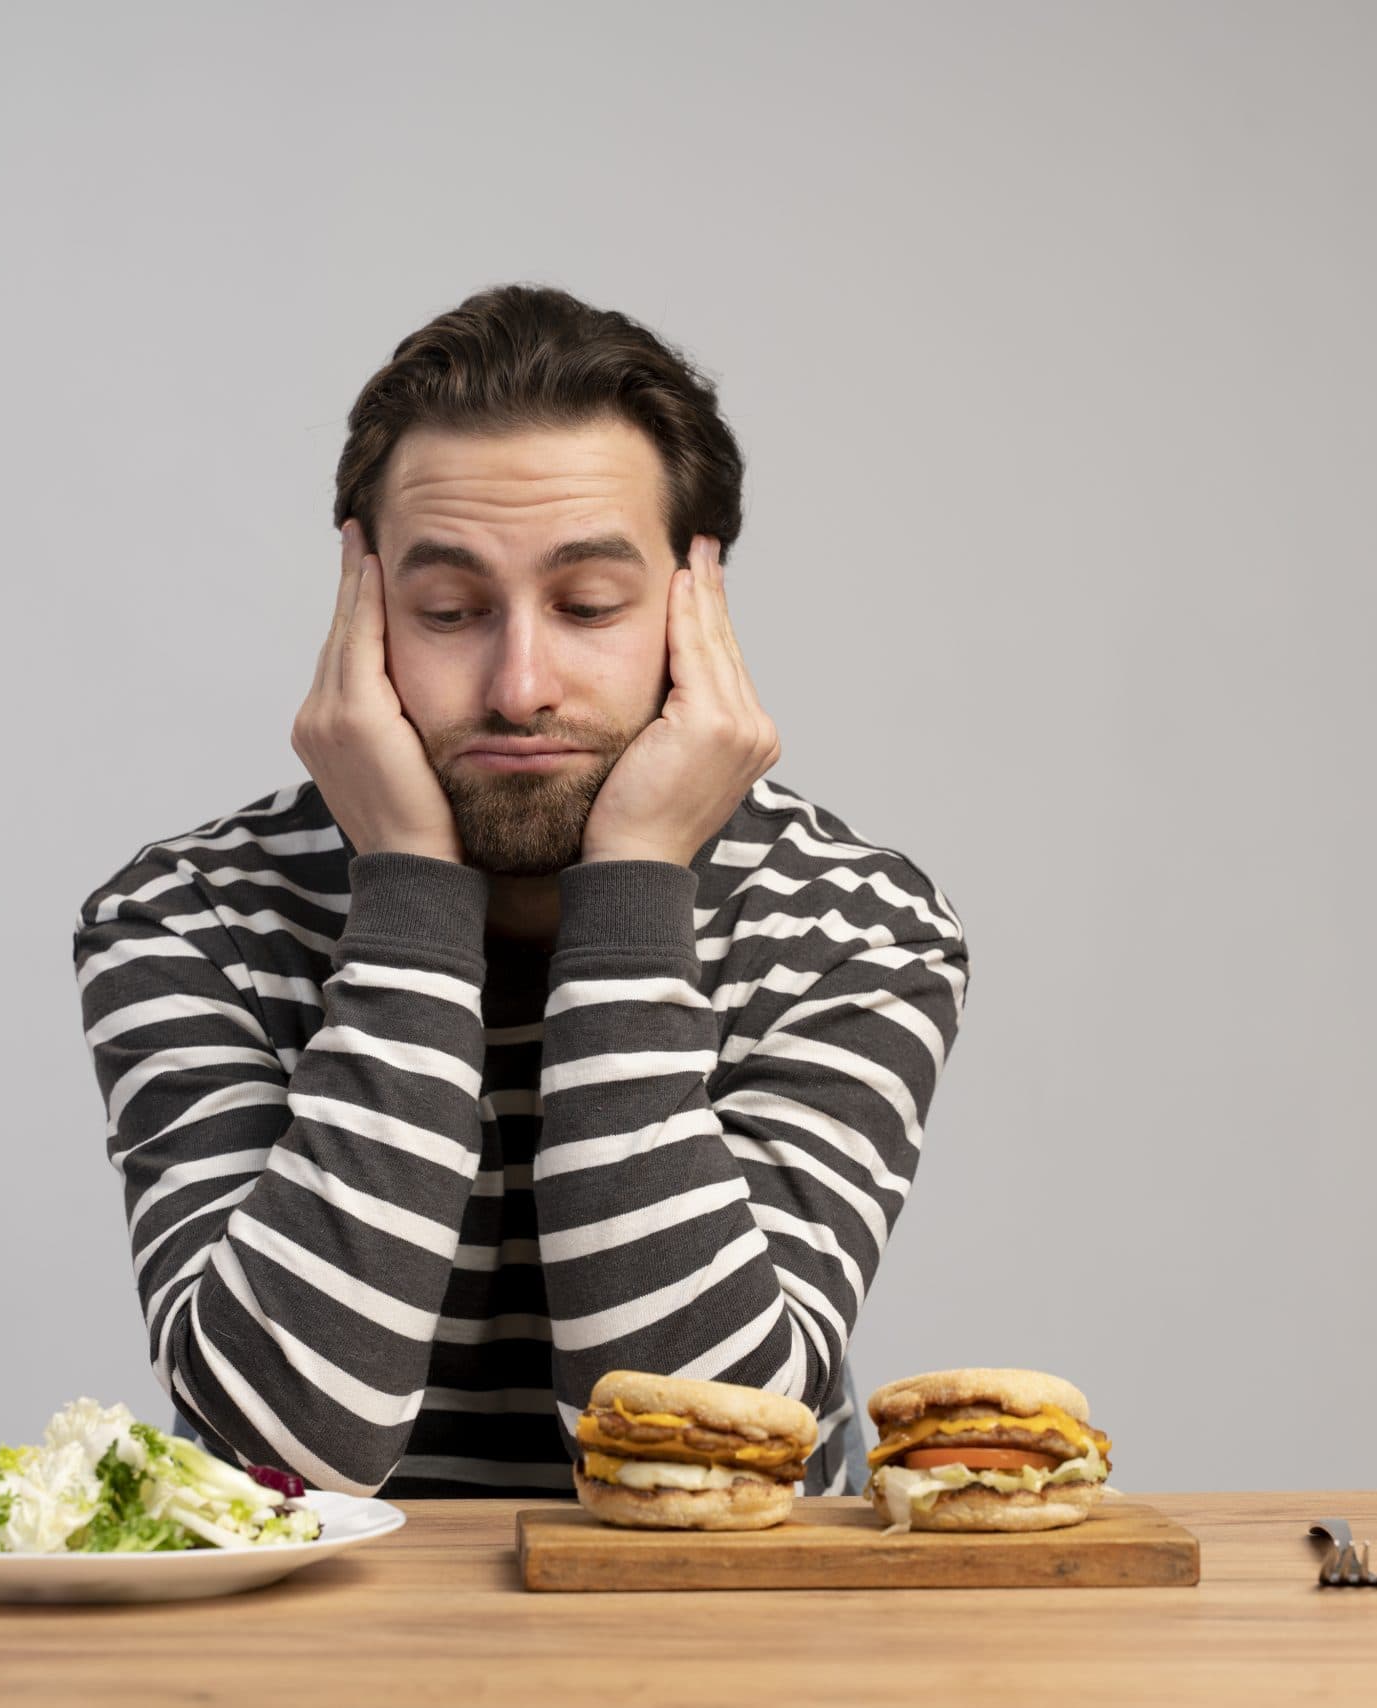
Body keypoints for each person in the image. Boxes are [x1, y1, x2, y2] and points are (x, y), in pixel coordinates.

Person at [71, 283, 969, 1498]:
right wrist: (411, 900)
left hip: (725, 1659)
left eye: (589, 605)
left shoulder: (853, 928)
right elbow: (276, 1455)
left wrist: (634, 893)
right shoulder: (192, 919)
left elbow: (713, 1455)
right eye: (449, 610)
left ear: (694, 609)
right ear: (363, 608)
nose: (520, 684)